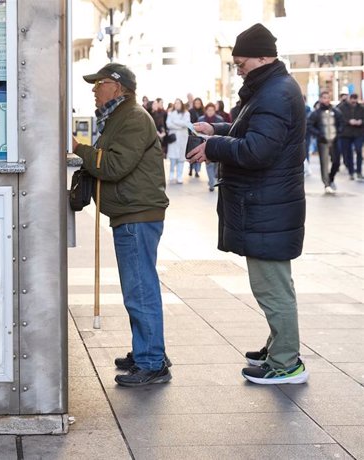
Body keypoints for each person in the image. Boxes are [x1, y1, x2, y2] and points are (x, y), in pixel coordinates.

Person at [187, 23, 309, 384]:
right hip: (266, 203)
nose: (237, 69)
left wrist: (213, 148)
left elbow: (259, 150)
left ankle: (287, 363)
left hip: (267, 204)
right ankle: (278, 348)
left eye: (241, 63)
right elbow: (252, 133)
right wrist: (219, 130)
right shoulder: (269, 89)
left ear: (263, 57)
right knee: (273, 284)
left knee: (272, 287)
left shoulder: (274, 93)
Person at [72, 63, 171, 386]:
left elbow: (114, 165)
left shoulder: (131, 118)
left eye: (98, 83)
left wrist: (78, 149)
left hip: (137, 215)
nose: (93, 90)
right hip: (131, 213)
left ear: (118, 87)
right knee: (138, 287)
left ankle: (152, 361)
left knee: (139, 289)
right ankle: (146, 349)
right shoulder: (120, 117)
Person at [307, 91, 344, 193]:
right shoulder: (315, 113)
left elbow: (341, 123)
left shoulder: (336, 112)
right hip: (322, 141)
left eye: (327, 97)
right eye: (324, 97)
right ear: (320, 99)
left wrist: (339, 132)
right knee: (324, 163)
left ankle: (331, 178)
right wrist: (319, 134)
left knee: (336, 162)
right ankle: (326, 184)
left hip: (335, 140)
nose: (326, 99)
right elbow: (309, 125)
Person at [336, 93, 364, 180]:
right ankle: (351, 172)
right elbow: (340, 119)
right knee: (348, 153)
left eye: (355, 99)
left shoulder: (361, 108)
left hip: (358, 133)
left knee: (359, 150)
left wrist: (361, 122)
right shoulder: (342, 107)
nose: (353, 101)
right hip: (346, 134)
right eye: (352, 99)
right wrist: (348, 121)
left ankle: (359, 171)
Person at [198, 103, 224, 191]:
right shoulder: (201, 119)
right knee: (209, 165)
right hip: (205, 145)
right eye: (208, 110)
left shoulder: (219, 119)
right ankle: (211, 182)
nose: (210, 112)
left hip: (217, 144)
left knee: (216, 164)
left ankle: (212, 179)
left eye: (212, 110)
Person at [166, 98, 190, 184]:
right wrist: (180, 125)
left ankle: (179, 176)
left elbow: (186, 123)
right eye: (175, 103)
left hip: (183, 138)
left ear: (181, 104)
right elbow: (168, 124)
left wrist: (175, 122)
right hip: (174, 138)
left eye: (178, 103)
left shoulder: (186, 113)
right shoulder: (170, 113)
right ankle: (171, 174)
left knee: (181, 158)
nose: (177, 105)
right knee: (172, 158)